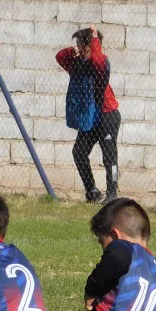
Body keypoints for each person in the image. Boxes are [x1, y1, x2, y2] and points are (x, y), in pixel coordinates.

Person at [57, 27, 121, 204]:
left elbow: (98, 60)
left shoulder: (101, 64)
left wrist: (94, 40)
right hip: (91, 119)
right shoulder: (78, 64)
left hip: (107, 115)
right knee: (79, 152)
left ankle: (112, 194)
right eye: (77, 44)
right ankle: (92, 191)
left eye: (80, 45)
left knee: (109, 155)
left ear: (89, 47)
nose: (77, 47)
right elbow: (60, 57)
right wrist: (71, 51)